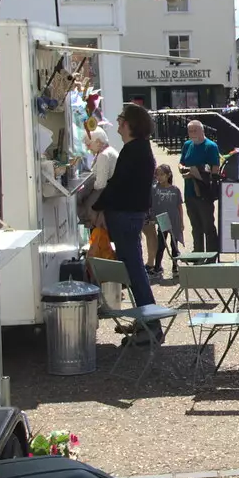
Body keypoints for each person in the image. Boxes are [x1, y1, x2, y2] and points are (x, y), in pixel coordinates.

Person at [93, 105, 159, 336]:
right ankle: (146, 320)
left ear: (131, 124)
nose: (118, 124)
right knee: (134, 270)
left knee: (134, 271)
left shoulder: (134, 150)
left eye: (121, 120)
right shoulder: (137, 149)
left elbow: (117, 185)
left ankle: (150, 324)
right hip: (129, 215)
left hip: (126, 216)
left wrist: (97, 207)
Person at [180, 119, 221, 254]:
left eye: (195, 130)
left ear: (202, 130)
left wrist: (200, 175)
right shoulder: (187, 145)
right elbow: (181, 162)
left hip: (204, 192)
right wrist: (183, 169)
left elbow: (215, 168)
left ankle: (211, 254)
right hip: (189, 190)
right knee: (195, 225)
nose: (192, 133)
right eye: (190, 131)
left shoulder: (211, 146)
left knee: (207, 225)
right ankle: (197, 253)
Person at [147, 164, 184, 278]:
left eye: (162, 175)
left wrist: (182, 222)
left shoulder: (175, 190)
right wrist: (152, 218)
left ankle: (175, 267)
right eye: (157, 175)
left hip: (174, 220)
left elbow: (179, 207)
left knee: (174, 245)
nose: (159, 177)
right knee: (161, 244)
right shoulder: (154, 189)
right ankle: (157, 267)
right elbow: (152, 205)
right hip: (162, 219)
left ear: (168, 175)